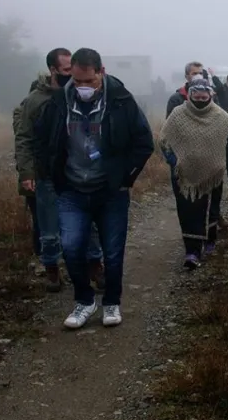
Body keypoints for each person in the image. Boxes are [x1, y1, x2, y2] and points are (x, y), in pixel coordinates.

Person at [34, 48, 155, 329]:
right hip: (72, 191)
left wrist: (126, 177)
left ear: (101, 72)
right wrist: (48, 174)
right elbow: (41, 140)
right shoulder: (58, 103)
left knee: (112, 252)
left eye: (89, 81)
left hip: (111, 191)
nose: (83, 88)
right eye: (77, 82)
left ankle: (111, 303)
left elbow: (144, 142)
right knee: (72, 247)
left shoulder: (122, 102)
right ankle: (84, 302)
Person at [14, 48, 104, 293]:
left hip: (78, 172)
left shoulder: (76, 94)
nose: (72, 75)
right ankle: (52, 270)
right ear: (53, 70)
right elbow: (24, 138)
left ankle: (95, 266)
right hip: (46, 175)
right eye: (66, 71)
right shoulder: (35, 101)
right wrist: (27, 173)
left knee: (89, 224)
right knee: (49, 227)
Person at [160, 78, 228, 271]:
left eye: (204, 93)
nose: (200, 96)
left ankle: (209, 241)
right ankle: (191, 251)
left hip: (213, 174)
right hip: (183, 175)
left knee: (209, 209)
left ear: (211, 94)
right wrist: (174, 161)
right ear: (189, 94)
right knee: (187, 210)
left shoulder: (222, 117)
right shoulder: (178, 114)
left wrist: (223, 165)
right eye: (196, 93)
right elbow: (164, 140)